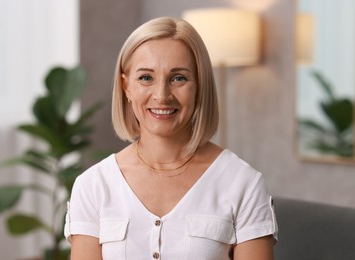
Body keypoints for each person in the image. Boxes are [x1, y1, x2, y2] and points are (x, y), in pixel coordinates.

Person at [64, 16, 278, 260]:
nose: (162, 95)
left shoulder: (243, 184)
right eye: (146, 77)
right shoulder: (93, 186)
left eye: (179, 78)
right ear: (126, 87)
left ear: (200, 86)